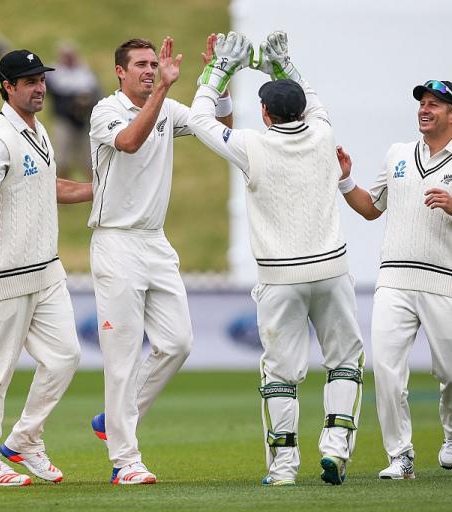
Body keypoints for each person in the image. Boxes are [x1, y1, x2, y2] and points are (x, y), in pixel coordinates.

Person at [187, 31, 364, 486]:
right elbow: (313, 95)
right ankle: (336, 446)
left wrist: (219, 69)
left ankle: (284, 468)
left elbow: (200, 117)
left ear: (265, 113)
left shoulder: (253, 145)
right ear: (301, 110)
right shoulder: (324, 133)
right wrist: (281, 64)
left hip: (280, 278)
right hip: (331, 271)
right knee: (344, 361)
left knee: (280, 374)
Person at [88, 35, 232, 485]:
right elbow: (129, 142)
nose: (150, 71)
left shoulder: (168, 107)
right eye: (141, 65)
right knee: (123, 356)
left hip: (155, 240)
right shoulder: (105, 111)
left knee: (178, 342)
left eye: (155, 64)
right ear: (121, 71)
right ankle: (125, 461)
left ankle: (110, 420)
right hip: (115, 241)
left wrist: (219, 81)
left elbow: (219, 127)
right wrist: (166, 90)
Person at [0, 49, 92, 487]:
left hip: (46, 273)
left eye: (41, 80)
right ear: (8, 87)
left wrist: (103, 189)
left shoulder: (40, 130)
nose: (39, 88)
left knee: (66, 356)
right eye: (29, 81)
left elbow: (54, 187)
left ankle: (26, 438)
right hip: (4, 277)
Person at [336, 80, 452, 479]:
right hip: (394, 280)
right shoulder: (398, 154)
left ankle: (451, 437)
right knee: (386, 370)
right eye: (422, 103)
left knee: (450, 371)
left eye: (434, 104)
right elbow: (372, 208)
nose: (424, 109)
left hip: (445, 282)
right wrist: (346, 181)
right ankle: (400, 457)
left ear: (451, 114)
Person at [45, 41, 101, 178]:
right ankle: (61, 190)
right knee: (62, 159)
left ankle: (93, 191)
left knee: (89, 159)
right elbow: (54, 93)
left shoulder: (85, 73)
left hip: (84, 120)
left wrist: (85, 102)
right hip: (64, 120)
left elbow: (96, 94)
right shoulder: (54, 73)